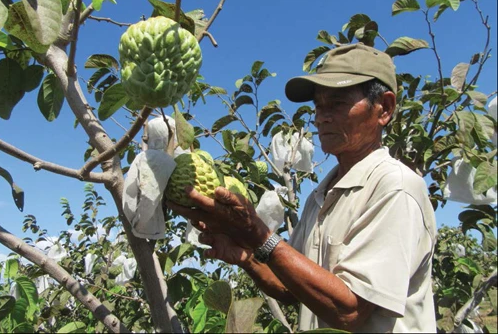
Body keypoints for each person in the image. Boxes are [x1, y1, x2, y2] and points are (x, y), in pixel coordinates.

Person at [167, 43, 437, 333]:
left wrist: (256, 234)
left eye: (337, 104)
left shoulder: (395, 188)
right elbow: (292, 288)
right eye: (318, 106)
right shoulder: (320, 196)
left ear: (384, 108)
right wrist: (244, 256)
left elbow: (350, 310)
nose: (321, 117)